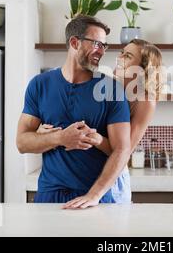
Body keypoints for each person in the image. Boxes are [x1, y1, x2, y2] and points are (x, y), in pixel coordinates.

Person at [16, 15, 131, 209]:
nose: (101, 51)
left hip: (97, 199)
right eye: (96, 44)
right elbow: (22, 143)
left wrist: (94, 195)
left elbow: (122, 150)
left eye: (104, 46)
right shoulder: (40, 84)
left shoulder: (111, 89)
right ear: (74, 42)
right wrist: (60, 138)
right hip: (50, 196)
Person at [39, 39, 163, 207]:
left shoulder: (145, 101)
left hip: (110, 182)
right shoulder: (107, 85)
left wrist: (97, 139)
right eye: (121, 52)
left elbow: (124, 151)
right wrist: (46, 130)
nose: (119, 57)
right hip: (83, 176)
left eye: (127, 55)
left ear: (142, 69)